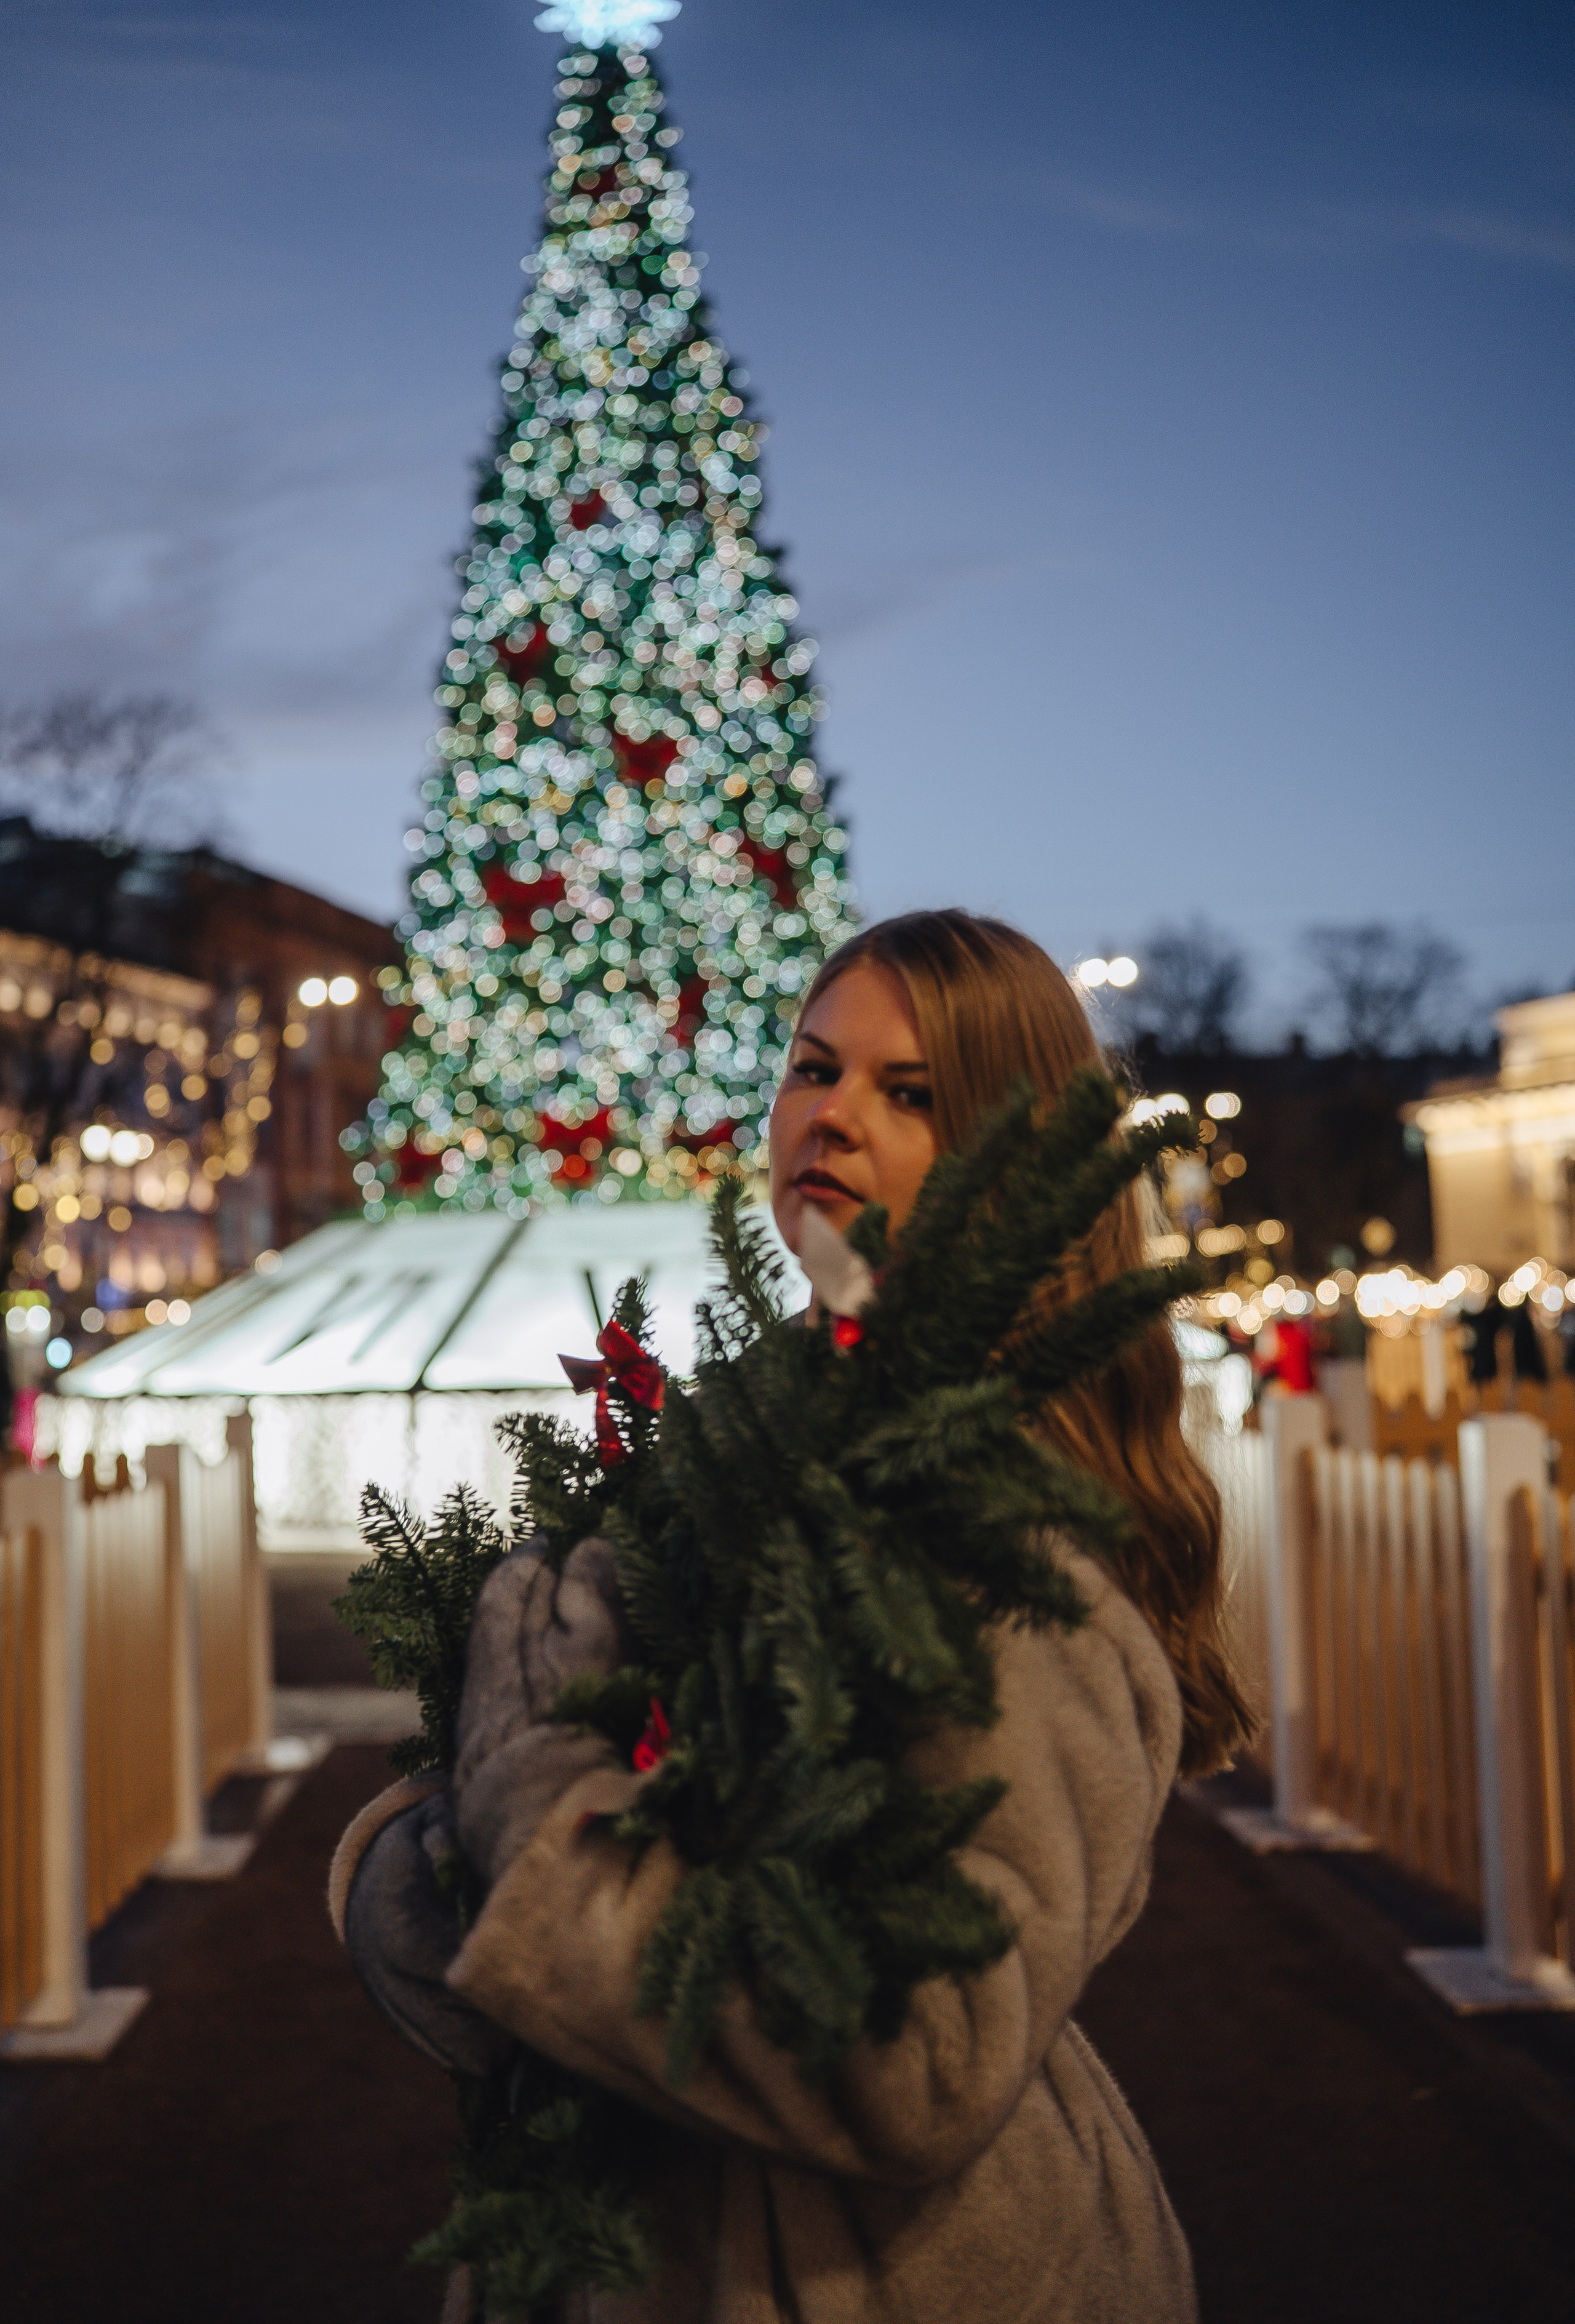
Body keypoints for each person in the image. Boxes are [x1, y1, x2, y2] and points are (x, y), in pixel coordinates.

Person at [331, 909, 1253, 2323]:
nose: (830, 1116)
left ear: (1020, 1155)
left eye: (911, 1092)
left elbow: (926, 2059)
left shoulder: (995, 1540)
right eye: (813, 1068)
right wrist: (444, 1874)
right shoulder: (747, 1448)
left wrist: (523, 1811)